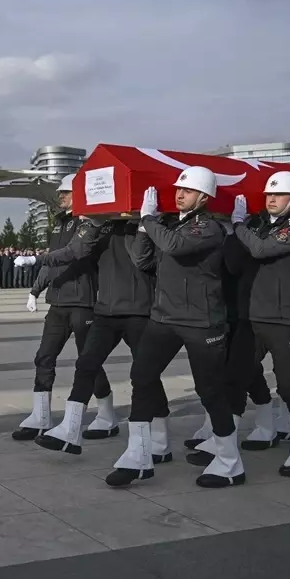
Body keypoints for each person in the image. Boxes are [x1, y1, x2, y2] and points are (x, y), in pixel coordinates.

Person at [105, 167, 242, 489]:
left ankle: (230, 461)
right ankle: (139, 454)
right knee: (142, 377)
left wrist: (150, 220)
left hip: (201, 320)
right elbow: (142, 260)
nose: (180, 194)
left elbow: (176, 247)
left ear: (204, 197)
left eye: (188, 190)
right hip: (164, 317)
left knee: (210, 390)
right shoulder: (167, 226)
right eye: (178, 189)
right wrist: (142, 225)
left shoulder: (209, 228)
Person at [24, 214, 173, 462]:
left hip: (140, 311)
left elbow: (141, 258)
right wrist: (93, 224)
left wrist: (143, 221)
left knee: (145, 377)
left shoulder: (151, 224)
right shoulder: (102, 226)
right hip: (106, 310)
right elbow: (75, 251)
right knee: (86, 364)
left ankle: (160, 440)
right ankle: (71, 430)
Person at [220, 171, 290, 478]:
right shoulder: (258, 227)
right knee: (235, 378)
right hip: (252, 316)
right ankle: (224, 446)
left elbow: (261, 250)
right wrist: (233, 233)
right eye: (268, 195)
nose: (271, 199)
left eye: (277, 195)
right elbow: (235, 264)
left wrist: (238, 225)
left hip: (287, 319)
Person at [9, 174, 105, 447]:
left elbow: (72, 253)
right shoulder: (59, 225)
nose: (60, 197)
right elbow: (52, 263)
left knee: (89, 361)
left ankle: (106, 412)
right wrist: (35, 290)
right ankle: (41, 416)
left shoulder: (89, 224)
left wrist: (36, 257)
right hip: (58, 301)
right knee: (43, 357)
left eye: (66, 193)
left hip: (82, 301)